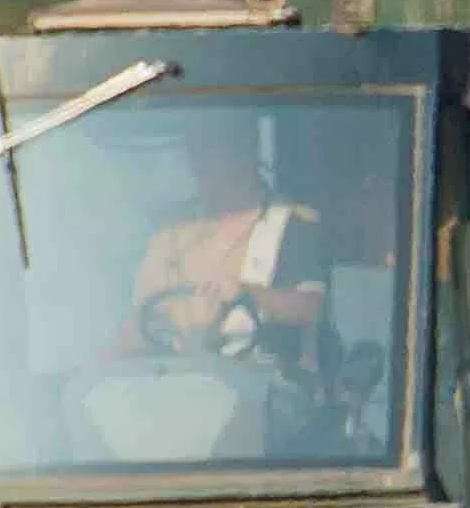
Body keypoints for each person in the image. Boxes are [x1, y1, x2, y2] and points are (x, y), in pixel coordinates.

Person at [127, 111, 324, 360]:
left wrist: (247, 294)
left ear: (246, 148)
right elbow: (138, 322)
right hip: (171, 381)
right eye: (194, 147)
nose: (198, 162)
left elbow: (310, 308)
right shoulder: (170, 230)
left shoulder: (294, 224)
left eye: (210, 147)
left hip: (259, 386)